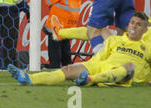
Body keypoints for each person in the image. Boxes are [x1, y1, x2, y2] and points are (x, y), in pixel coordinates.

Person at [9, 12, 151, 86]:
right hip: (102, 67)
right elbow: (100, 56)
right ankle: (29, 78)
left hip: (125, 77)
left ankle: (90, 79)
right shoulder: (115, 40)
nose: (133, 26)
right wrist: (87, 65)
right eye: (132, 23)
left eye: (138, 25)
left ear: (145, 29)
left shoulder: (147, 47)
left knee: (129, 66)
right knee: (68, 70)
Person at [43, 0, 82, 68]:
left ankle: (54, 68)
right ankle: (68, 69)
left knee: (54, 46)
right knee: (65, 48)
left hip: (59, 21)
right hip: (71, 21)